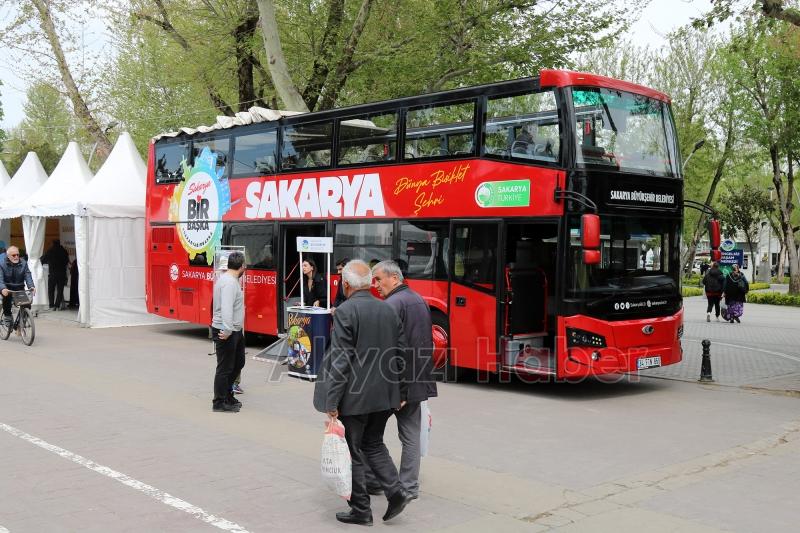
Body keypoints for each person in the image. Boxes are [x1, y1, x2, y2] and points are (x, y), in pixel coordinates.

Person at [313, 259, 413, 525]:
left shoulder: (346, 311)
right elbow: (402, 354)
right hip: (385, 394)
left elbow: (341, 359)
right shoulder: (388, 310)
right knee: (374, 444)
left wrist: (332, 401)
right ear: (369, 282)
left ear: (345, 284)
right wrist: (401, 391)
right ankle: (396, 491)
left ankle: (361, 510)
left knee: (354, 451)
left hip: (355, 396)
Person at [368, 260, 437, 500]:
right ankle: (409, 487)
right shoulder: (418, 299)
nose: (375, 284)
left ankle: (375, 480)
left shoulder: (392, 304)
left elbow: (389, 349)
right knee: (411, 437)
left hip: (395, 384)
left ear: (394, 278)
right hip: (416, 379)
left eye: (378, 279)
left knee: (369, 435)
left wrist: (399, 389)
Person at [211, 251, 246, 413]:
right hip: (227, 331)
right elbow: (226, 307)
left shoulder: (228, 279)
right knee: (225, 367)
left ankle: (227, 394)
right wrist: (227, 329)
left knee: (238, 363)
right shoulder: (230, 283)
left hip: (234, 330)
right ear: (242, 267)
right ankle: (219, 401)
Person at [0, 246, 36, 324]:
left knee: (27, 304)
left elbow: (28, 275)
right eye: (13, 255)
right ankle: (7, 316)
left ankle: (21, 323)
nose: (16, 257)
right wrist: (3, 289)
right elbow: (0, 279)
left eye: (17, 255)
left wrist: (31, 286)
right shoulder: (2, 264)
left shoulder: (23, 263)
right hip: (7, 287)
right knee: (7, 299)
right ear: (8, 256)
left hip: (19, 287)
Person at [41, 239, 70, 311]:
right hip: (62, 274)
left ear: (53, 243)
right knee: (60, 290)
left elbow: (42, 260)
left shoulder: (50, 251)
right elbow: (66, 261)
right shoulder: (64, 251)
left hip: (52, 273)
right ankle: (57, 306)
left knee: (51, 290)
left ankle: (51, 305)